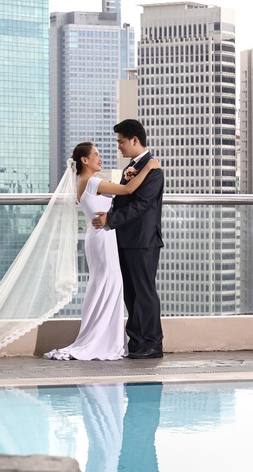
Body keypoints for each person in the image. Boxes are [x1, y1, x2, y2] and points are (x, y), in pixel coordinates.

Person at [45, 142, 160, 360]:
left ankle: (98, 336)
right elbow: (127, 190)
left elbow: (115, 194)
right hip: (104, 237)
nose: (100, 158)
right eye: (96, 155)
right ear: (84, 161)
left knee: (102, 285)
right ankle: (103, 340)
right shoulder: (94, 181)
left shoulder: (84, 182)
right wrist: (149, 167)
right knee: (110, 284)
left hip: (96, 237)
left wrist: (127, 174)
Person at [92, 119, 164, 359]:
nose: (119, 147)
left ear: (135, 140)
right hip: (126, 238)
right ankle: (136, 341)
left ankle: (153, 343)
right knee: (131, 293)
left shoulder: (153, 169)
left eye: (121, 142)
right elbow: (124, 197)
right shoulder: (134, 167)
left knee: (145, 292)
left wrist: (110, 219)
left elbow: (142, 205)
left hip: (143, 240)